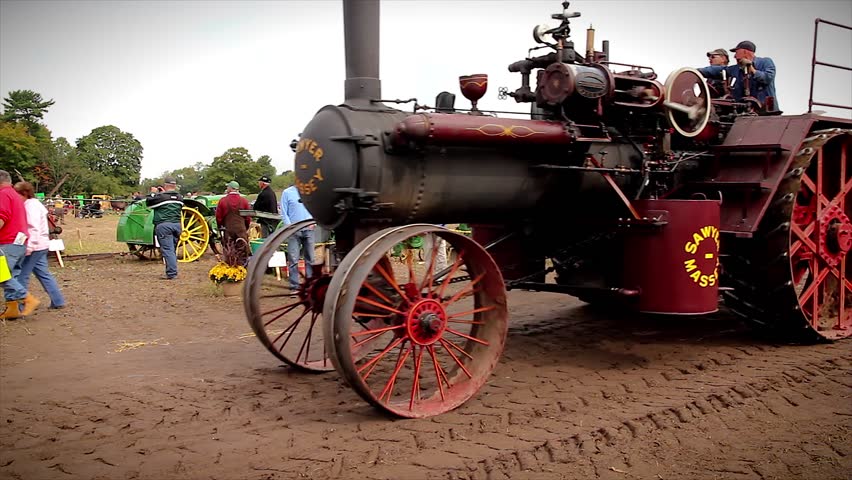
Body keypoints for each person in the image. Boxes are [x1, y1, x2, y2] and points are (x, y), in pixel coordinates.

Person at [14, 182, 65, 310]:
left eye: (17, 194)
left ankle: (20, 307)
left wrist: (29, 248)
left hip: (35, 246)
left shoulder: (31, 207)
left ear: (24, 193)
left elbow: (33, 228)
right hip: (41, 245)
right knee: (43, 273)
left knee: (21, 275)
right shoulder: (34, 204)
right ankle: (57, 300)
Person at [0, 170, 38, 319]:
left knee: (2, 275)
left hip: (8, 242)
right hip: (20, 242)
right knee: (12, 275)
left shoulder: (3, 194)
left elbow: (2, 217)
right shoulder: (15, 196)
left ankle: (28, 299)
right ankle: (12, 309)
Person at [698, 40, 778, 110]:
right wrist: (696, 71)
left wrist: (752, 70)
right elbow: (718, 70)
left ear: (745, 52)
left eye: (736, 52)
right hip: (742, 113)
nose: (734, 56)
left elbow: (768, 78)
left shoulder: (765, 62)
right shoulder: (734, 69)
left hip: (765, 113)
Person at [146, 177, 183, 280]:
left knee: (168, 250)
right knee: (172, 250)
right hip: (176, 225)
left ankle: (172, 273)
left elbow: (149, 203)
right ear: (174, 186)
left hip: (164, 226)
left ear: (165, 185)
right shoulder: (180, 197)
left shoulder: (161, 197)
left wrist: (153, 193)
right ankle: (171, 270)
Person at [280, 185, 314, 291]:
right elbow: (284, 212)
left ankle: (310, 286)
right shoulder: (287, 192)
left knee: (310, 259)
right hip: (294, 230)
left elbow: (316, 207)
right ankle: (294, 286)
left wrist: (314, 221)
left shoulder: (310, 191)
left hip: (309, 228)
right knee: (293, 259)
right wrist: (290, 226)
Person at [215, 181, 251, 262]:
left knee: (229, 250)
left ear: (230, 189)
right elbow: (248, 217)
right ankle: (242, 268)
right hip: (241, 229)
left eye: (227, 187)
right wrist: (245, 227)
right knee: (242, 249)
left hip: (228, 230)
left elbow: (218, 217)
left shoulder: (223, 201)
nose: (227, 189)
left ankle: (230, 267)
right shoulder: (244, 201)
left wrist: (220, 226)